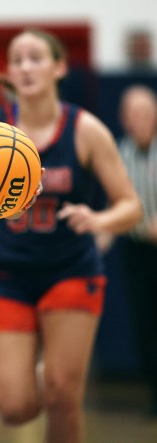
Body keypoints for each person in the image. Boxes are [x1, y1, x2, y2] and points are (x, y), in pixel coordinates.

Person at [0, 29, 143, 443]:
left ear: (59, 68)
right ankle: (42, 373)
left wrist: (99, 219)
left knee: (62, 397)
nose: (25, 66)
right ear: (9, 72)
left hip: (70, 270)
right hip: (6, 273)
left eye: (35, 57)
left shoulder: (85, 130)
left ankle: (55, 377)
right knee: (13, 407)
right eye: (17, 59)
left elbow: (131, 206)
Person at [116, 84, 157, 416]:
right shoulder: (119, 152)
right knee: (146, 325)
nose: (140, 119)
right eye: (134, 113)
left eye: (146, 111)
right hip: (138, 252)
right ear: (124, 119)